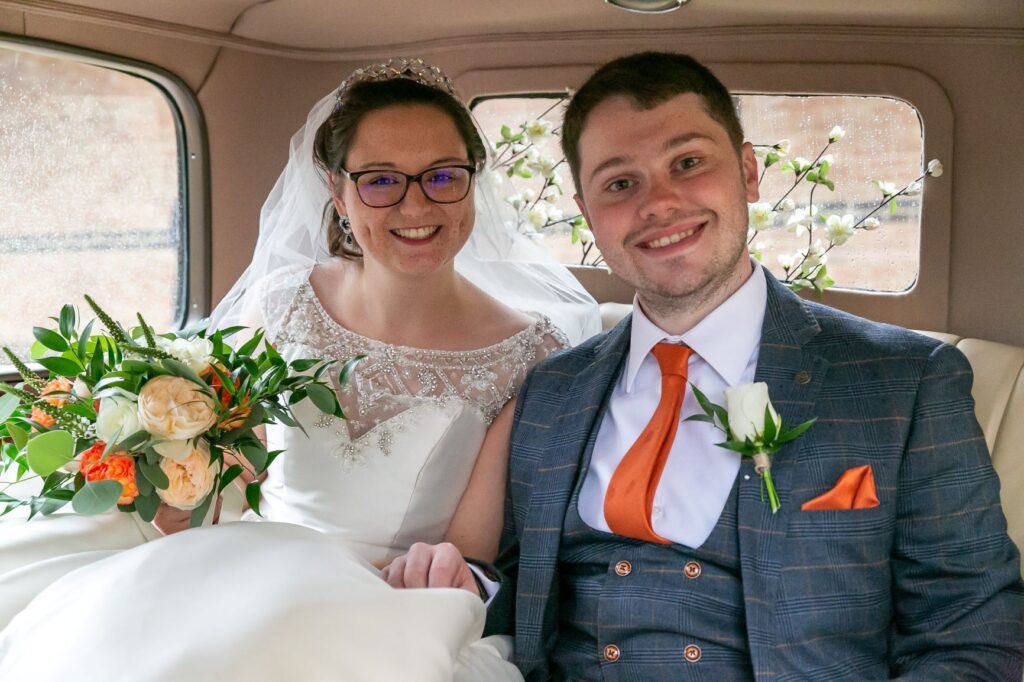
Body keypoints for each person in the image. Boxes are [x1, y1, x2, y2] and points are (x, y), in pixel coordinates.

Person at [386, 52, 1024, 680]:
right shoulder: (553, 388)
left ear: (748, 172)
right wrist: (466, 584)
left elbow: (975, 632)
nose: (658, 203)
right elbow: (528, 584)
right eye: (619, 183)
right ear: (587, 212)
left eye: (687, 163)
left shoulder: (905, 381)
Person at [0, 58, 600, 681]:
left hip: (390, 606)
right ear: (337, 192)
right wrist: (177, 497)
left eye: (443, 176)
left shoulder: (530, 353)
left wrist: (445, 571)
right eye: (380, 181)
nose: (416, 204)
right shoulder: (284, 303)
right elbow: (231, 473)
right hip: (243, 565)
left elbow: (468, 553)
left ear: (472, 184)